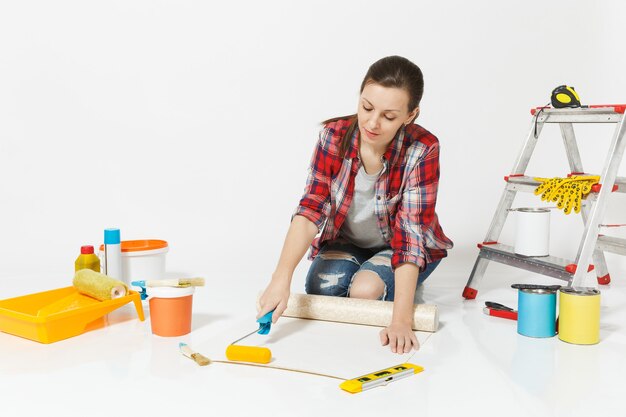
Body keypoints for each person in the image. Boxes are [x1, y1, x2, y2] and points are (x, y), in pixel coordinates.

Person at [258, 55, 453, 354]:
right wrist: (279, 279)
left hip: (399, 245)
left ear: (411, 115)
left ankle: (396, 283)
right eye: (367, 107)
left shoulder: (424, 149)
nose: (373, 123)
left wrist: (401, 319)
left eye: (389, 116)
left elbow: (411, 235)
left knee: (363, 292)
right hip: (348, 241)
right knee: (325, 289)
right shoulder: (333, 136)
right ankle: (373, 273)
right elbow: (311, 208)